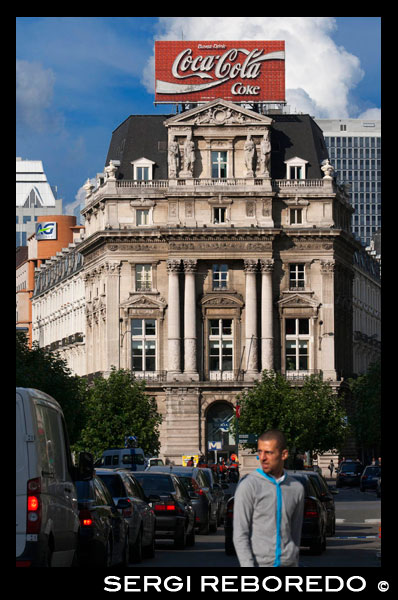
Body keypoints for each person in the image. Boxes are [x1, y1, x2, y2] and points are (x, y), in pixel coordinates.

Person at [233, 430, 304, 567]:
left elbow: (295, 532)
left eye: (269, 452)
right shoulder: (249, 485)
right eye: (260, 452)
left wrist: (293, 559)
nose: (262, 458)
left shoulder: (296, 488)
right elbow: (240, 533)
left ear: (284, 454)